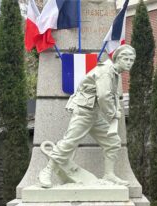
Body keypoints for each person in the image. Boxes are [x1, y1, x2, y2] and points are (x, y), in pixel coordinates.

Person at [39, 44, 136, 187]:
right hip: (84, 110)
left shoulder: (114, 73)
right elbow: (103, 96)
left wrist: (116, 109)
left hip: (93, 112)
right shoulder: (106, 71)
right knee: (69, 142)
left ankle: (109, 175)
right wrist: (112, 113)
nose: (129, 62)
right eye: (126, 59)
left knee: (113, 141)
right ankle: (46, 171)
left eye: (131, 60)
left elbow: (111, 95)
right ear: (117, 59)